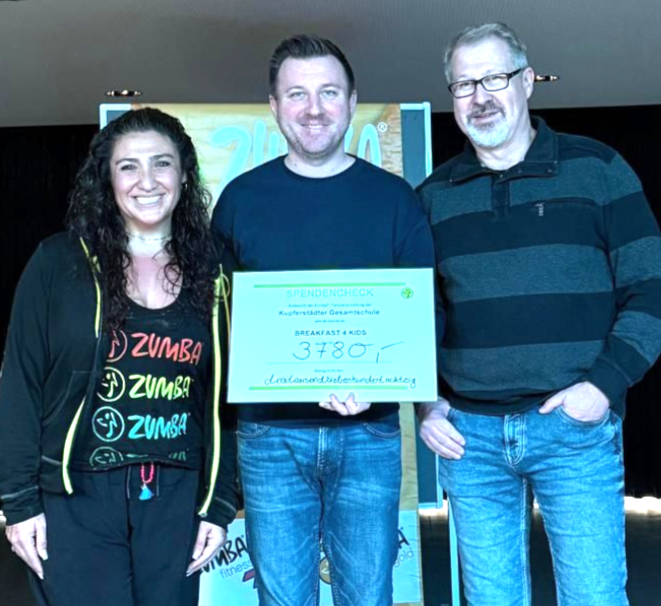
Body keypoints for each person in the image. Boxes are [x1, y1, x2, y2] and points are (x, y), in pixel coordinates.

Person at [416, 22, 661, 606]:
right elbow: (416, 316)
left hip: (573, 429)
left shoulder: (598, 169)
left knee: (594, 598)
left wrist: (601, 388)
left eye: (494, 79)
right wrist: (425, 402)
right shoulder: (433, 196)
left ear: (527, 81)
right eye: (464, 85)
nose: (480, 97)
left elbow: (651, 290)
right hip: (470, 439)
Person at [212, 35, 435, 606]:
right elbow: (218, 318)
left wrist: (379, 383)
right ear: (274, 106)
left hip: (368, 433)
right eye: (297, 94)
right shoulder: (239, 200)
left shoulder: (395, 199)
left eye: (329, 92)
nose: (314, 109)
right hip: (268, 437)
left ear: (352, 102)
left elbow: (422, 311)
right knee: (282, 599)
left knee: (367, 596)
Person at [0, 107, 239, 606]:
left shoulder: (216, 268)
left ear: (184, 174)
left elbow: (230, 395)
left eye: (162, 163)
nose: (146, 181)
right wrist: (18, 503)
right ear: (107, 179)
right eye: (128, 166)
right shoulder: (58, 262)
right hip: (75, 494)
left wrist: (218, 504)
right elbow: (19, 383)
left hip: (176, 495)